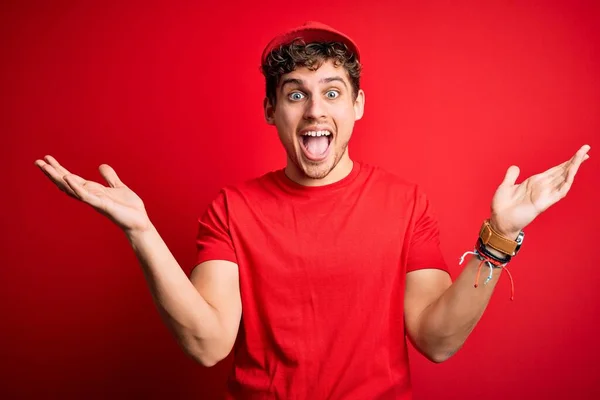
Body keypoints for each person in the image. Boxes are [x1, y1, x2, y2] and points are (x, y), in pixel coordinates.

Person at [35, 21, 590, 400]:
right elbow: (207, 344)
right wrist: (141, 231)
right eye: (295, 94)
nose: (313, 110)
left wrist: (500, 237)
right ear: (271, 110)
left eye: (331, 91)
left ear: (357, 105)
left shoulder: (404, 202)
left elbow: (436, 339)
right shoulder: (232, 209)